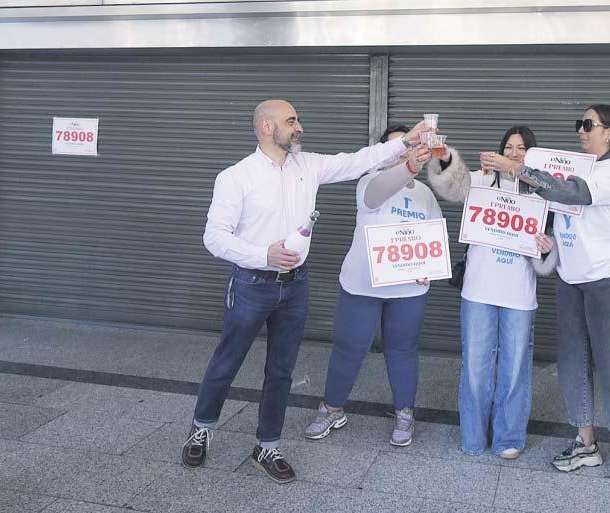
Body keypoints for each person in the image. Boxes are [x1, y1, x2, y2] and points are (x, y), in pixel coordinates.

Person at [181, 99, 430, 484]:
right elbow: (214, 237)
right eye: (291, 121)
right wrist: (262, 254)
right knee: (227, 361)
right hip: (250, 284)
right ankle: (201, 427)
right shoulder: (236, 177)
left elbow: (359, 160)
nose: (299, 127)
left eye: (298, 119)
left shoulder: (309, 165)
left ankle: (268, 446)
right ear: (267, 127)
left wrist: (406, 142)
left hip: (295, 286)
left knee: (281, 370)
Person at [486, 104, 610, 481]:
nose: (581, 131)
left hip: (605, 275)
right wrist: (550, 241)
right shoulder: (576, 164)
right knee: (572, 360)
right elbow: (558, 211)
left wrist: (517, 169)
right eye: (579, 125)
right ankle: (586, 442)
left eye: (588, 125)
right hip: (569, 275)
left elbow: (574, 194)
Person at [303, 126, 439, 447]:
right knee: (349, 349)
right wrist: (408, 165)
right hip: (362, 286)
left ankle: (404, 412)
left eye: (406, 147)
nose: (401, 153)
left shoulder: (424, 192)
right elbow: (379, 192)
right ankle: (332, 409)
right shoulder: (369, 182)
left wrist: (430, 268)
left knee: (403, 350)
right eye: (395, 148)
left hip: (408, 290)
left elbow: (434, 233)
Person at [426, 126, 556, 459]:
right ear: (499, 151)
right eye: (509, 147)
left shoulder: (541, 193)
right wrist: (446, 158)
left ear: (532, 155)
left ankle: (508, 437)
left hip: (519, 296)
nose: (514, 153)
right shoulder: (481, 181)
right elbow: (452, 185)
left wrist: (547, 248)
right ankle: (472, 436)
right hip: (478, 292)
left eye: (522, 148)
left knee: (514, 370)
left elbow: (549, 250)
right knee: (475, 368)